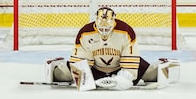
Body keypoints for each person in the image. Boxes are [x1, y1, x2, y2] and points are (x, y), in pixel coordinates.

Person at [45, 7, 180, 91]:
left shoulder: (126, 31)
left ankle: (167, 64)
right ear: (95, 23)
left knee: (152, 75)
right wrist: (84, 78)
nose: (104, 32)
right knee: (61, 76)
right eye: (101, 28)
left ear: (114, 23)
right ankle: (55, 65)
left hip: (120, 68)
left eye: (107, 28)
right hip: (95, 68)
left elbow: (130, 66)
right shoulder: (85, 33)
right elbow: (80, 65)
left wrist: (123, 79)